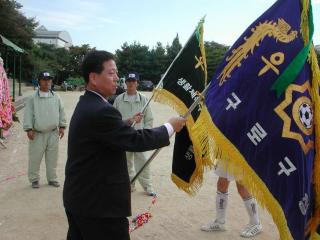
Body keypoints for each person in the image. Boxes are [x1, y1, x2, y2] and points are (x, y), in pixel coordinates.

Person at [63, 50, 186, 240]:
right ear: (93, 78)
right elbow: (135, 140)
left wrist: (126, 122)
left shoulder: (89, 102)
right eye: (111, 73)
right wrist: (170, 126)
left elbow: (107, 133)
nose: (117, 78)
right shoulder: (101, 109)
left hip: (81, 199)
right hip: (99, 207)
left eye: (117, 73)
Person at [113, 72, 156, 196]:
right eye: (129, 81)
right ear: (125, 83)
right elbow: (114, 119)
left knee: (143, 161)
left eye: (133, 81)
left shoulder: (144, 100)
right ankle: (129, 184)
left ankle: (148, 186)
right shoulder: (119, 99)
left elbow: (149, 119)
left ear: (137, 83)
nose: (131, 83)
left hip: (139, 137)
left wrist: (145, 133)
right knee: (125, 163)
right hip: (124, 136)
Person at [23, 71, 67, 189]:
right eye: (44, 80)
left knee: (52, 158)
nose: (47, 82)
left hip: (53, 133)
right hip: (38, 133)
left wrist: (62, 126)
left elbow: (61, 111)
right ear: (39, 81)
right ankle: (34, 179)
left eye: (49, 80)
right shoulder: (32, 98)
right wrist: (28, 129)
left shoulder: (56, 97)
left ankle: (52, 179)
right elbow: (28, 114)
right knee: (35, 157)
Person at [200, 161, 263, 238]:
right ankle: (220, 222)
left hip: (238, 154)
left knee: (242, 187)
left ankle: (256, 223)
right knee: (221, 184)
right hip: (226, 154)